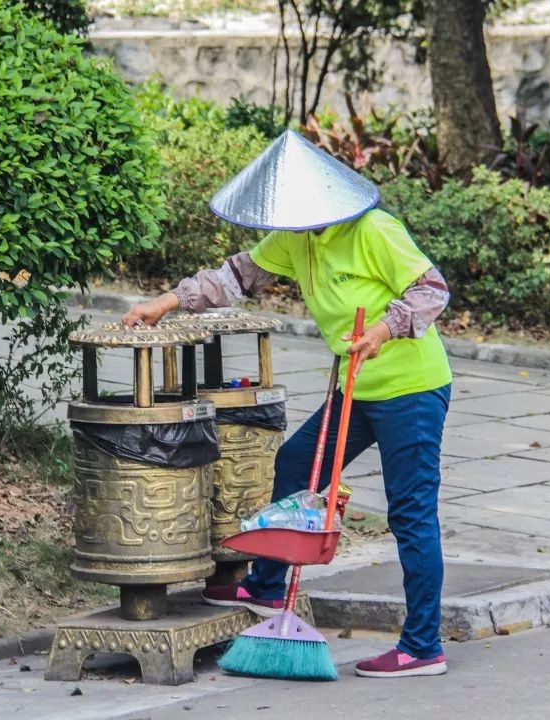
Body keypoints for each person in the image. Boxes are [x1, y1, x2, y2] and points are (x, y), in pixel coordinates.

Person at [122, 130, 453, 679]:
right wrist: (165, 303)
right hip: (356, 387)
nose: (288, 219)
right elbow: (236, 276)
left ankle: (423, 646)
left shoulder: (374, 230)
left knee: (411, 513)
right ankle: (269, 586)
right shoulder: (296, 238)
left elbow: (431, 290)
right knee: (298, 465)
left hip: (411, 390)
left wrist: (384, 330)